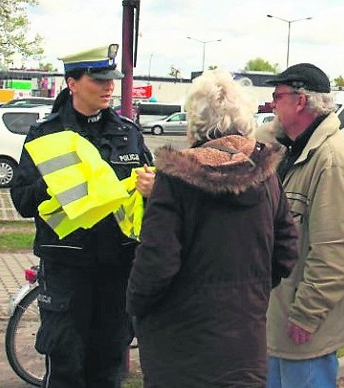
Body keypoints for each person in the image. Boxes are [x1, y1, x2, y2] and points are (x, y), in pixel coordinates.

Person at [125, 69, 299, 387]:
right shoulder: (266, 175)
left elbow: (156, 262)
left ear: (195, 121)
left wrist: (135, 307)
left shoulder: (175, 178)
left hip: (178, 347)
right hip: (244, 344)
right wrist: (253, 290)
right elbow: (287, 250)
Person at [11, 44, 156, 387]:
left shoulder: (127, 133)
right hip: (66, 270)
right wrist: (54, 185)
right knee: (65, 365)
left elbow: (149, 203)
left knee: (108, 369)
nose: (109, 87)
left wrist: (154, 190)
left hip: (117, 270)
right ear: (72, 83)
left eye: (112, 80)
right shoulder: (46, 135)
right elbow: (21, 201)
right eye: (98, 79)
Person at [263, 63, 344, 387]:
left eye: (277, 96)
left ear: (300, 101)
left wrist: (307, 314)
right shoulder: (291, 149)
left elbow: (335, 250)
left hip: (304, 328)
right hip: (279, 319)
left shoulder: (333, 160)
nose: (272, 104)